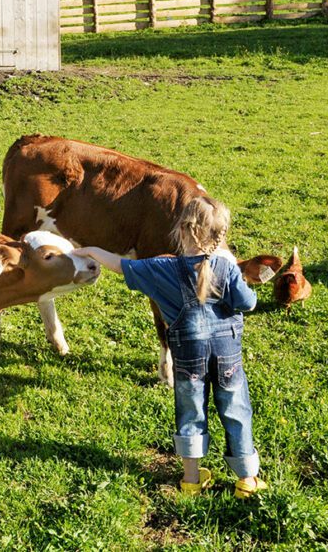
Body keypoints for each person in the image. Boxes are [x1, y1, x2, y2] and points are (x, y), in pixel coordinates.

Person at [74, 196, 267, 498]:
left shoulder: (161, 268)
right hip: (228, 356)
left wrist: (91, 250)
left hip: (188, 359)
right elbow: (249, 303)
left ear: (181, 230)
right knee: (236, 409)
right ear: (220, 235)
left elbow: (122, 266)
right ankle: (247, 479)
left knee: (191, 410)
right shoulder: (228, 270)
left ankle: (191, 479)